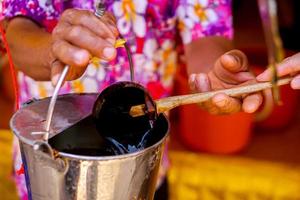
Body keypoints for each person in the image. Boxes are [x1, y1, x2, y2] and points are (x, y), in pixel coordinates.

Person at [2, 0, 264, 199]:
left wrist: (216, 74)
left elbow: (207, 33)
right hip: (49, 170)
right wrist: (53, 50)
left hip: (143, 168)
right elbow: (19, 31)